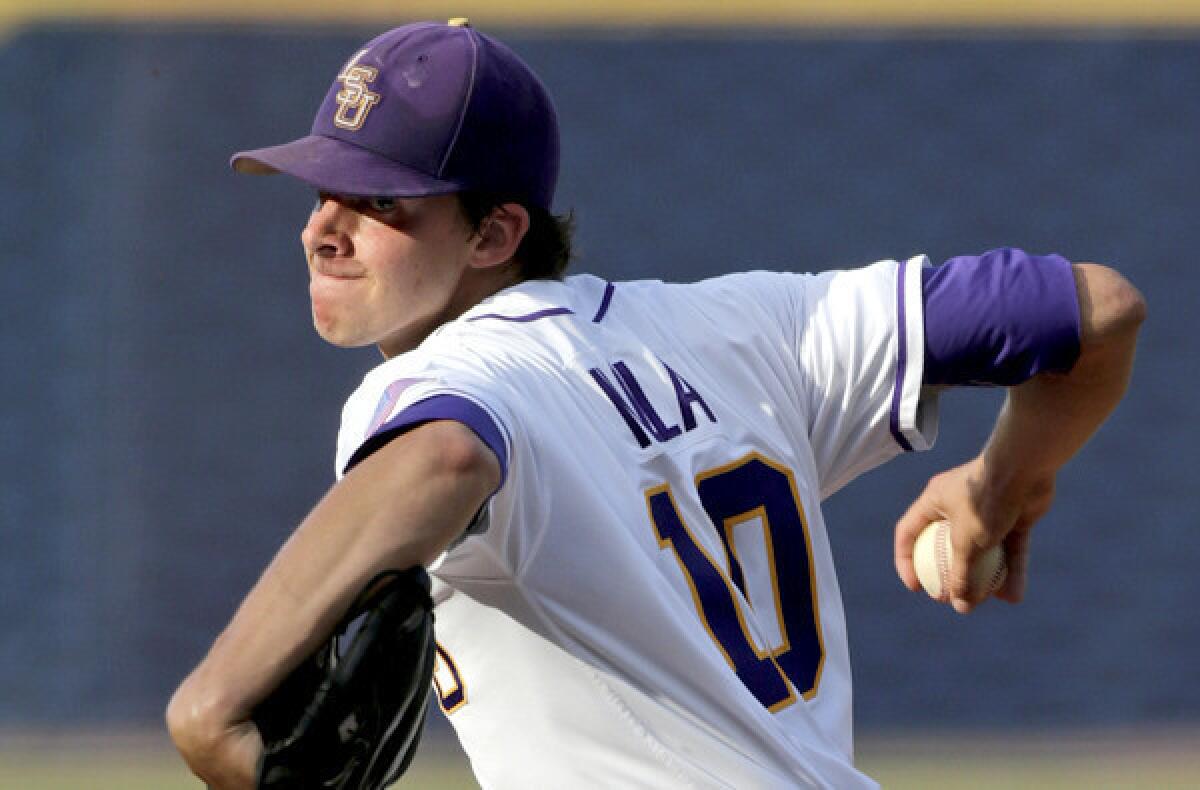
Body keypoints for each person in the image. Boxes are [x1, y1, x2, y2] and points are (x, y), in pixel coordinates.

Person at [166, 19, 1145, 789]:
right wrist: (1000, 483)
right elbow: (1098, 311)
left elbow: (448, 458)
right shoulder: (754, 326)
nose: (323, 231)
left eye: (380, 203)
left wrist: (207, 708)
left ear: (495, 231)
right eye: (319, 189)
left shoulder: (438, 385)